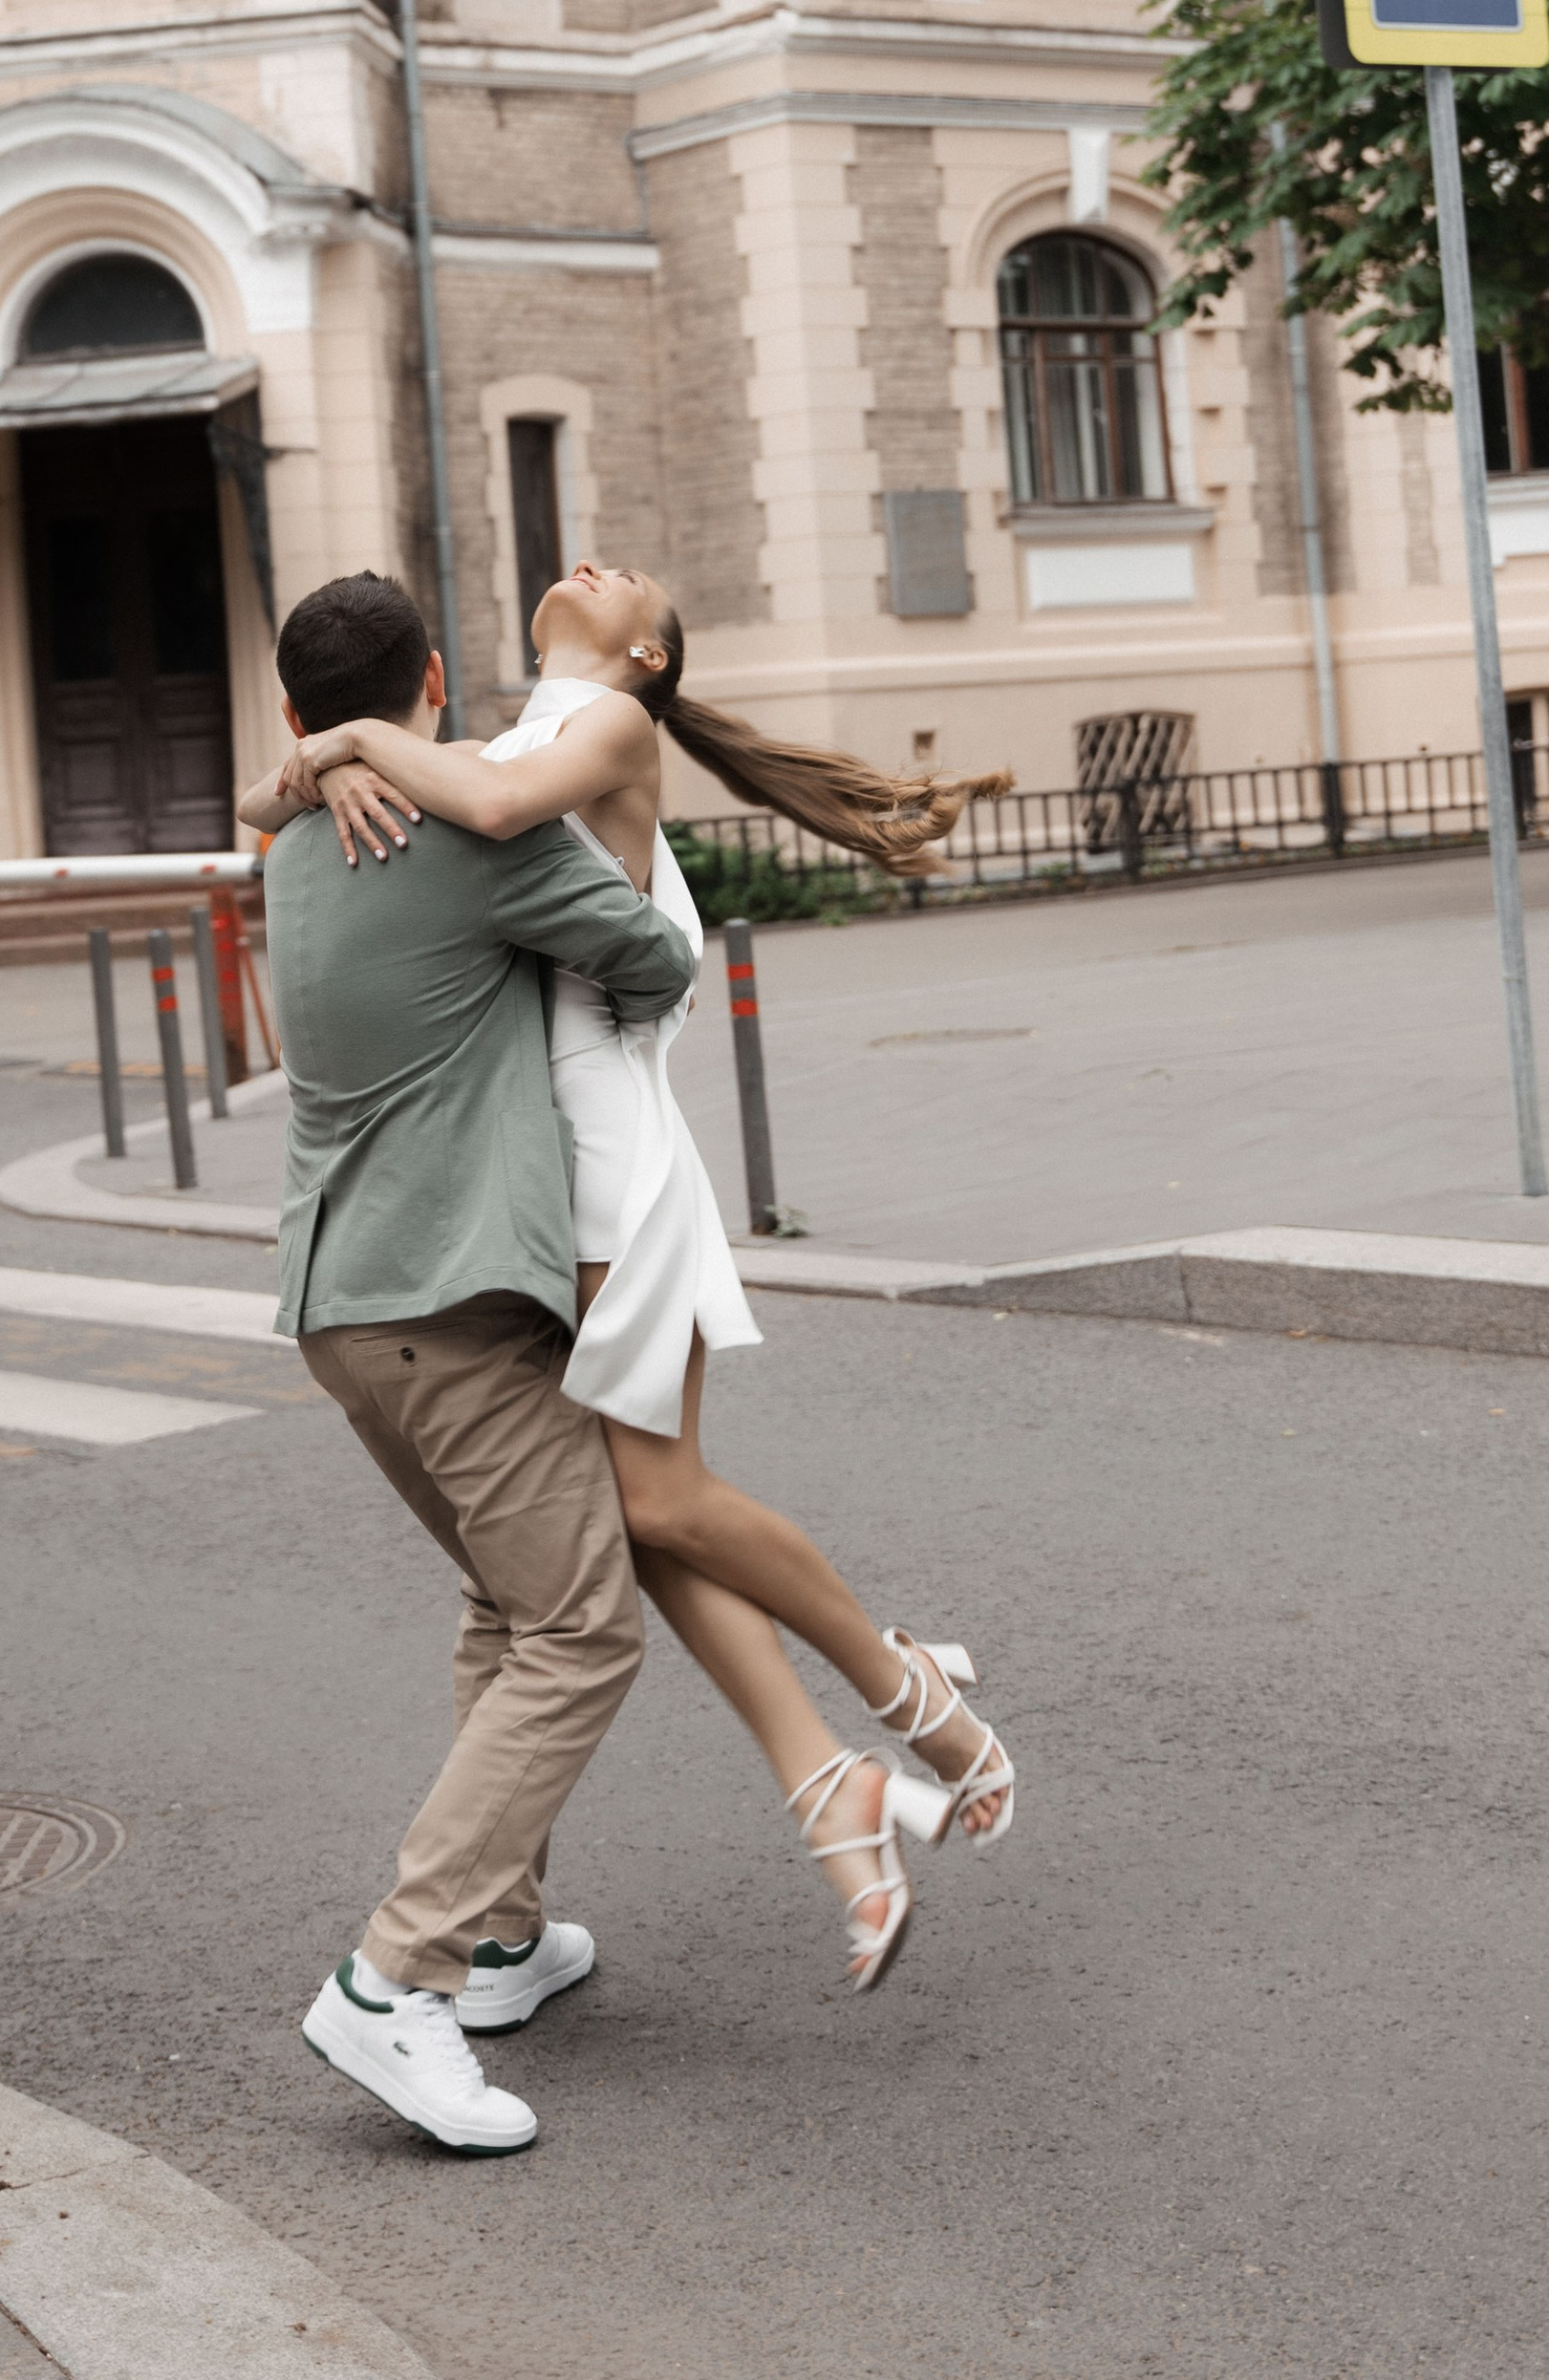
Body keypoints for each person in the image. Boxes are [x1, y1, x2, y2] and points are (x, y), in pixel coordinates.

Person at [245, 558, 1018, 2000]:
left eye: (631, 581)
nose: (595, 564)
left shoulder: (597, 727)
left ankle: (909, 1696)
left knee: (653, 1505)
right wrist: (338, 751)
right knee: (626, 1524)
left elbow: (484, 824)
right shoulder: (470, 750)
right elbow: (316, 798)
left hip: (609, 1158)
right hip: (551, 1168)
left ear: (649, 653)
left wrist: (343, 745)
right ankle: (820, 1790)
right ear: (431, 678)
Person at [257, 568, 698, 2156]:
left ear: (295, 708)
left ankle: (499, 1943)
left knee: (507, 1608)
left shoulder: (300, 837)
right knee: (581, 1631)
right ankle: (394, 1977)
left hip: (339, 1308)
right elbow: (653, 959)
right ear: (436, 679)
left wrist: (325, 761)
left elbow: (286, 788)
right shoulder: (460, 837)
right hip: (451, 1305)